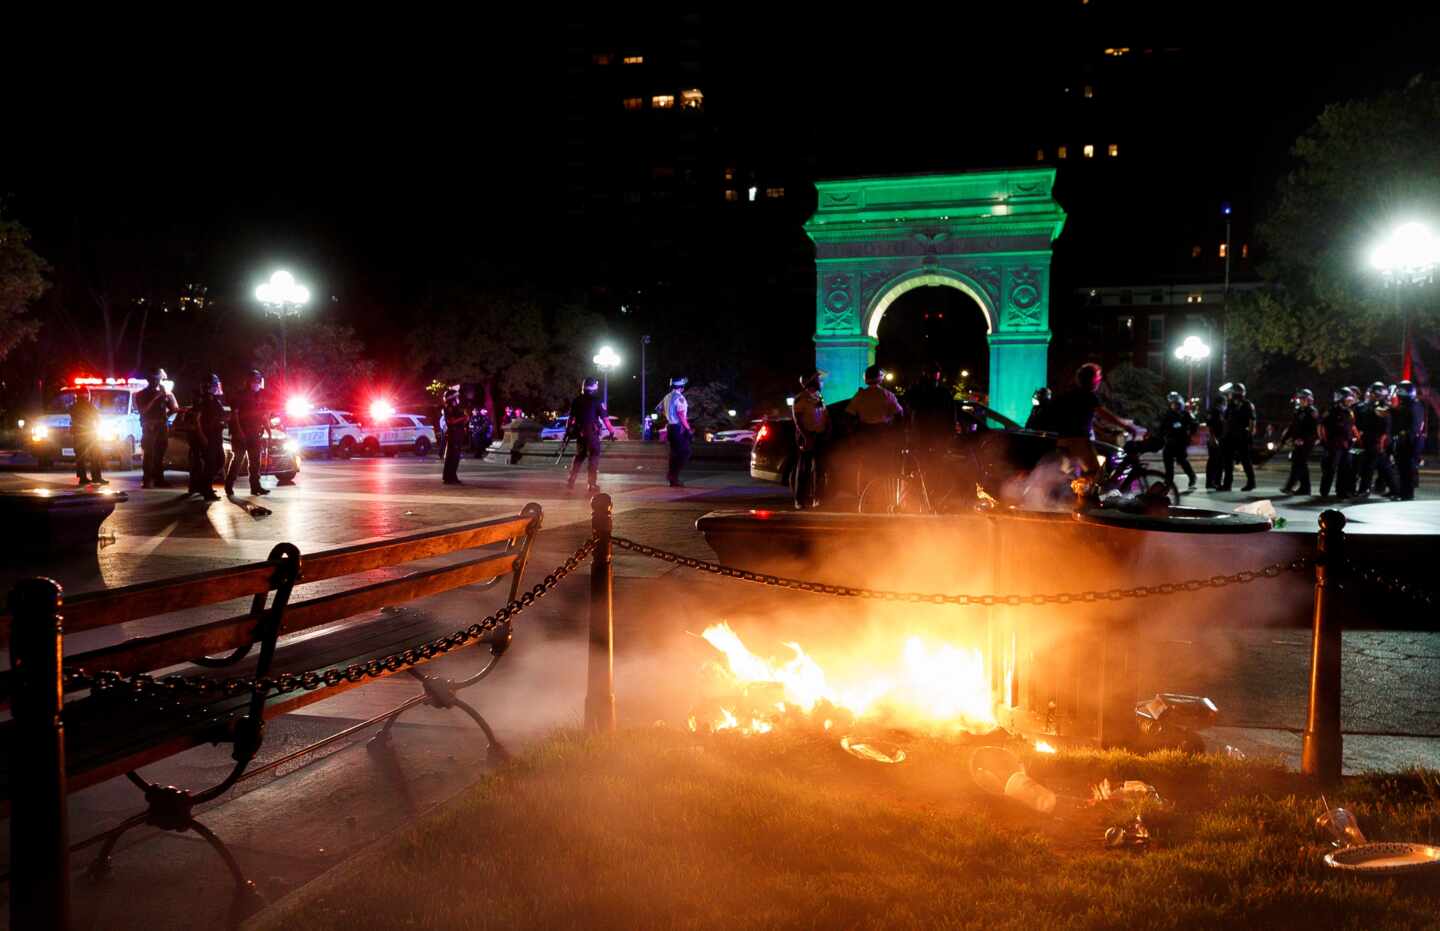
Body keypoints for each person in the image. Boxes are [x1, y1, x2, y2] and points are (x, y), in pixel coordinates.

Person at [1049, 363, 1136, 481]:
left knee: (1073, 476)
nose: (1099, 381)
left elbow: (1084, 418)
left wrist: (1105, 430)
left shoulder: (1069, 394)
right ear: (1091, 380)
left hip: (1062, 441)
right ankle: (1092, 498)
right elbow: (1104, 414)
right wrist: (1126, 426)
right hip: (1078, 441)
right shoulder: (1088, 396)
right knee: (1096, 475)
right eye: (1098, 377)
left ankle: (1072, 496)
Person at [225, 370, 272, 497]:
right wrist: (239, 432)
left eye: (258, 380)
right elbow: (234, 415)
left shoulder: (260, 396)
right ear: (249, 381)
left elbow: (263, 414)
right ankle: (228, 485)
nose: (257, 383)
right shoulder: (240, 395)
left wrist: (268, 429)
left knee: (255, 462)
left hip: (254, 433)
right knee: (238, 460)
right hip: (241, 434)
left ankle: (255, 487)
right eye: (254, 380)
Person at [565, 377, 615, 492]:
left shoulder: (576, 400)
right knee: (593, 457)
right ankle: (591, 484)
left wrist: (568, 431)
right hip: (592, 434)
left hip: (580, 433)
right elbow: (606, 419)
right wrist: (612, 432)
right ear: (594, 387)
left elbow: (570, 419)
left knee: (579, 457)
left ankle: (571, 481)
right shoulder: (597, 401)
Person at [791, 369, 829, 509]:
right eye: (819, 380)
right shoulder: (801, 398)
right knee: (804, 469)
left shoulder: (819, 396)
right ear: (812, 381)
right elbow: (798, 420)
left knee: (819, 469)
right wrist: (806, 437)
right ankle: (799, 500)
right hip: (807, 436)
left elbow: (824, 415)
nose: (822, 382)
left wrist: (827, 428)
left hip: (819, 435)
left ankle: (817, 499)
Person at [136, 367, 179, 488]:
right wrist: (156, 398)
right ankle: (147, 480)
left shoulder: (164, 393)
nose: (157, 382)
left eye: (159, 379)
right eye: (155, 379)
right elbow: (142, 410)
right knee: (149, 455)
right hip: (149, 427)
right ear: (150, 380)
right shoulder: (141, 394)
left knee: (160, 455)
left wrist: (169, 397)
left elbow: (175, 408)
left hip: (162, 427)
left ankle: (159, 480)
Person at [1354, 382, 1397, 498]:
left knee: (1369, 466)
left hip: (1376, 441)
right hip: (1370, 440)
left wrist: (1381, 443)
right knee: (1383, 467)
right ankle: (1395, 489)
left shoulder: (1381, 407)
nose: (1370, 394)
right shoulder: (1372, 405)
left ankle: (1364, 489)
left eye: (1372, 393)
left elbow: (1385, 428)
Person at [189, 374, 224, 501]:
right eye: (214, 385)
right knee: (210, 464)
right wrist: (202, 437)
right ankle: (206, 490)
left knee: (220, 461)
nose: (216, 388)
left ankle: (204, 485)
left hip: (216, 437)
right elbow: (196, 420)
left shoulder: (214, 400)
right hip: (207, 437)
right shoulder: (201, 401)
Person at [1279, 389, 1319, 495]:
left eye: (1303, 399)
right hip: (1297, 442)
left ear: (1309, 400)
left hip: (1306, 443)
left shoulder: (1312, 412)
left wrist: (1303, 439)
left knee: (1297, 464)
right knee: (1301, 465)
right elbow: (1293, 427)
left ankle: (1289, 486)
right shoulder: (1298, 411)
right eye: (1300, 399)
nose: (1300, 401)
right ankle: (1305, 488)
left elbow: (1313, 430)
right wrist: (1284, 439)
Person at [1318, 387, 1357, 498]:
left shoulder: (1349, 412)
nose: (1350, 401)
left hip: (1347, 446)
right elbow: (1321, 427)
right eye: (1348, 399)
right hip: (1334, 446)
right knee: (1330, 469)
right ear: (1341, 399)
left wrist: (1353, 439)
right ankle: (1324, 492)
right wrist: (1325, 443)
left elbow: (1351, 427)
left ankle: (1341, 492)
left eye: (1351, 399)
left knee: (1345, 469)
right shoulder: (1331, 411)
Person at [1390, 380, 1425, 501]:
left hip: (1411, 442)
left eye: (1402, 391)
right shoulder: (1405, 405)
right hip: (1403, 441)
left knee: (1408, 469)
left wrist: (1405, 436)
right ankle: (1402, 492)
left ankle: (1407, 495)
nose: (1399, 393)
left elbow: (1414, 426)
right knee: (1401, 468)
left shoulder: (1415, 405)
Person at [1218, 382, 1256, 492]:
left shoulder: (1247, 405)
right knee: (1228, 461)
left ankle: (1251, 482)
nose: (1229, 395)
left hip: (1242, 437)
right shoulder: (1230, 405)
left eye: (1231, 393)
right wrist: (1223, 435)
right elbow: (1225, 420)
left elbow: (1252, 421)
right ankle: (1227, 484)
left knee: (1245, 461)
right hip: (1230, 437)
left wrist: (1249, 436)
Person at [1156, 391, 1197, 490]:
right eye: (1172, 404)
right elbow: (1161, 428)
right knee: (1168, 464)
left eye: (1175, 403)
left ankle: (1192, 477)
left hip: (1180, 443)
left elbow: (1194, 424)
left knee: (1182, 461)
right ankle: (1168, 482)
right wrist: (1160, 438)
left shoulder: (1185, 414)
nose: (1173, 405)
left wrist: (1189, 434)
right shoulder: (1167, 414)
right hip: (1169, 442)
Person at [658, 376, 692, 488]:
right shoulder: (680, 397)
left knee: (674, 453)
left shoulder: (667, 397)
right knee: (685, 452)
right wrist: (688, 429)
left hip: (670, 427)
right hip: (678, 427)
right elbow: (681, 415)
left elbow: (659, 409)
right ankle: (673, 475)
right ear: (681, 387)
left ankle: (673, 478)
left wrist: (669, 417)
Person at [69, 387, 107, 486]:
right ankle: (96, 477)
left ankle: (83, 478)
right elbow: (97, 418)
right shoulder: (89, 406)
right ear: (87, 395)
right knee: (95, 456)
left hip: (78, 435)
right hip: (90, 434)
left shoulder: (73, 407)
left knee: (81, 457)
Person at [441, 386, 468, 485]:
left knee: (454, 457)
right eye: (456, 397)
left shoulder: (456, 408)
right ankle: (449, 477)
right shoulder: (449, 408)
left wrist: (465, 419)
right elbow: (451, 421)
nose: (458, 399)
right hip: (453, 434)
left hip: (458, 433)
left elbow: (460, 420)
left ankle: (451, 476)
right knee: (452, 456)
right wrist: (462, 418)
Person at [1204, 393, 1228, 490]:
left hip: (1216, 439)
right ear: (1221, 403)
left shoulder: (1215, 412)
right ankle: (1214, 482)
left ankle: (1211, 482)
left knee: (1214, 461)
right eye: (1224, 403)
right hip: (1215, 439)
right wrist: (1213, 438)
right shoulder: (1216, 412)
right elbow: (1211, 426)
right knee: (1216, 461)